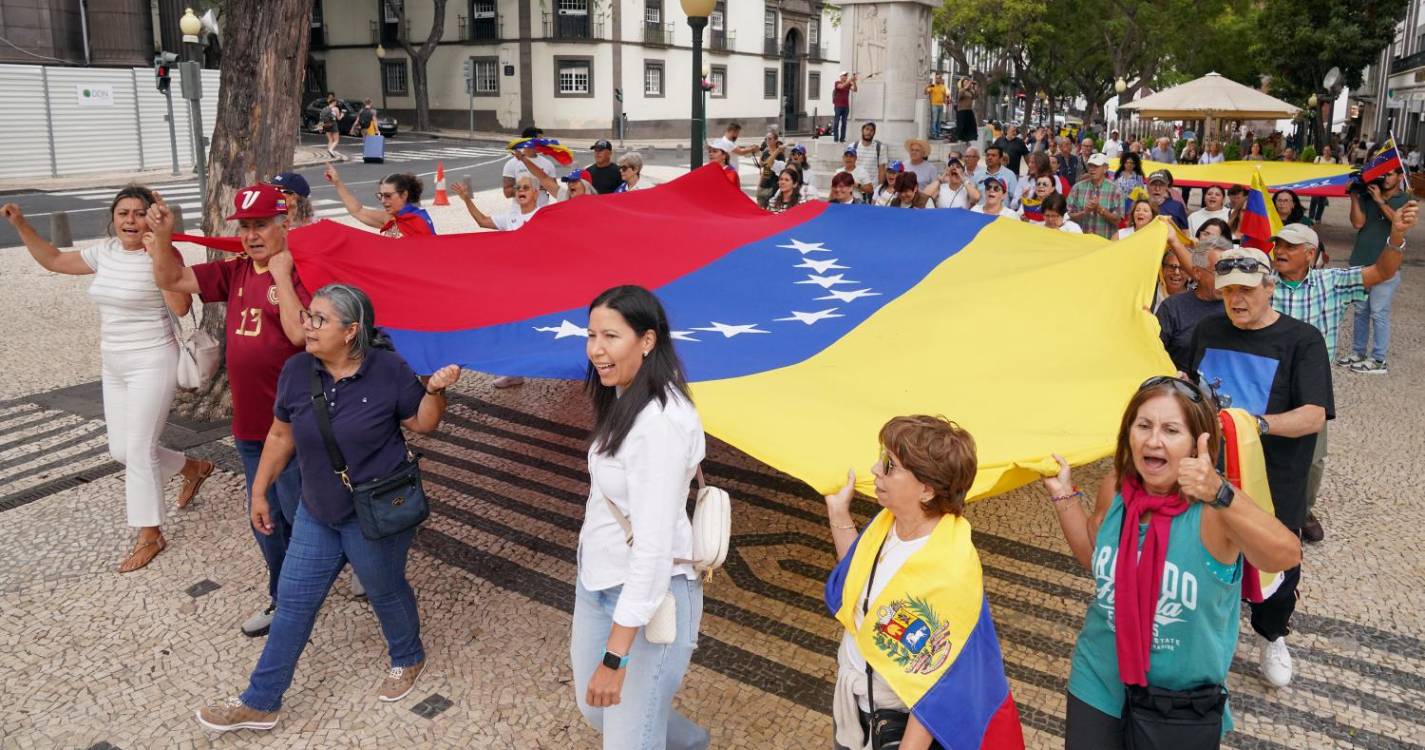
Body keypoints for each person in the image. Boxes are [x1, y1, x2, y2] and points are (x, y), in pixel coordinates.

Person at [195, 284, 462, 733]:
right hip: (317, 512)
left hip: (375, 512)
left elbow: (423, 423)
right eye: (308, 315)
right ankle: (261, 701)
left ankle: (407, 655)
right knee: (294, 603)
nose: (307, 325)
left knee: (385, 589)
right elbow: (281, 436)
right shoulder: (297, 370)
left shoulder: (389, 369)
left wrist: (434, 390)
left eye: (319, 319)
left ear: (351, 330)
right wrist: (258, 492)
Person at [1042, 376, 1301, 748]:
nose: (1153, 440)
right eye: (1143, 425)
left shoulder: (1214, 510)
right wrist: (1065, 497)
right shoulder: (1115, 488)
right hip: (1098, 677)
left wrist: (1220, 492)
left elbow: (1285, 554)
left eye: (1171, 430)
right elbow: (1094, 557)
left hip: (1179, 701)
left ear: (1199, 441)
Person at [1, 190, 214, 573]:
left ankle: (150, 533)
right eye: (123, 213)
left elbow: (181, 306)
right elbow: (53, 260)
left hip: (152, 359)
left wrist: (159, 251)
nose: (130, 220)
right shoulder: (105, 252)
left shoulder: (162, 253)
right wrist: (20, 224)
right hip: (113, 362)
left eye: (138, 213)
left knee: (139, 449)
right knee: (121, 450)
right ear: (113, 218)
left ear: (151, 218)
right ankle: (192, 468)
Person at [148, 185, 314, 636]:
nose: (252, 235)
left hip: (296, 427)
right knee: (266, 518)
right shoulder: (234, 270)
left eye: (261, 224)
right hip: (249, 427)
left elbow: (300, 337)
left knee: (302, 513)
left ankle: (336, 571)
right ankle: (284, 596)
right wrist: (162, 240)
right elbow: (173, 281)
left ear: (285, 223)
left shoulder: (302, 271)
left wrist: (281, 275)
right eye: (245, 227)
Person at [825, 416, 1022, 750]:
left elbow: (939, 682)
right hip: (857, 707)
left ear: (927, 489)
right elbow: (859, 584)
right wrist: (839, 515)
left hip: (896, 725)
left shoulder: (949, 568)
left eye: (890, 465)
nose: (875, 469)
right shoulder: (885, 526)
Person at [1187, 246, 1336, 689]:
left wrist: (1256, 425)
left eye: (1247, 290)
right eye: (1228, 289)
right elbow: (1192, 387)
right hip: (1211, 473)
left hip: (1273, 479)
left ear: (1269, 288)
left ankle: (1272, 634)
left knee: (1277, 560)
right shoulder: (1208, 329)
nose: (1237, 299)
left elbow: (1314, 414)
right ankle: (1209, 634)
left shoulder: (1301, 340)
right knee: (1207, 552)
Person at [574, 285, 709, 750]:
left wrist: (615, 658)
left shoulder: (659, 425)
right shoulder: (624, 393)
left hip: (653, 597)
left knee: (627, 739)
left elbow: (653, 550)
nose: (596, 349)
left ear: (647, 340)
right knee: (595, 709)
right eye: (591, 335)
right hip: (598, 579)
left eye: (610, 336)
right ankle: (688, 742)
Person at [1267, 214, 1414, 543]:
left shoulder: (1330, 282)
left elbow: (1382, 272)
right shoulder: (1264, 282)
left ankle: (1301, 510)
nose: (1280, 251)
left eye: (1290, 246)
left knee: (1313, 459)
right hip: (1267, 382)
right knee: (1263, 446)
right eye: (1278, 245)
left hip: (1310, 387)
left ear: (1310, 253)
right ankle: (1261, 509)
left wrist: (1396, 237)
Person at [1343, 167, 1412, 375]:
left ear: (1400, 177)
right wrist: (1355, 194)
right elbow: (1358, 222)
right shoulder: (1368, 194)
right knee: (1360, 310)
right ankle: (1358, 353)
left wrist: (1381, 200)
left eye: (1390, 174)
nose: (1385, 178)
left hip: (1387, 264)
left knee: (1378, 312)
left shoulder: (1406, 199)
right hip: (1362, 261)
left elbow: (1398, 224)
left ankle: (1379, 359)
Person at [1156, 235, 1233, 372]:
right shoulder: (1172, 308)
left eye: (1228, 271)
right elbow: (1153, 354)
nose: (1225, 279)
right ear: (1197, 273)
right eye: (1218, 271)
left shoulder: (1240, 307)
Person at [325, 164, 434, 238]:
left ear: (404, 194)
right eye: (380, 196)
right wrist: (337, 182)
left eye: (387, 196)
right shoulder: (389, 218)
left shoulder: (419, 221)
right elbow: (357, 211)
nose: (382, 200)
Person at [452, 173, 542, 231]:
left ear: (536, 193)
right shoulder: (510, 217)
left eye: (526, 188)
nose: (521, 190)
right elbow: (482, 221)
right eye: (518, 188)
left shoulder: (543, 216)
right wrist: (466, 199)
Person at [1067, 154, 1124, 239]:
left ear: (1105, 168)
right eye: (1090, 166)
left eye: (1096, 166)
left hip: (1105, 242)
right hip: (1081, 241)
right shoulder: (1077, 188)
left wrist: (1100, 209)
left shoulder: (1116, 190)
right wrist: (1084, 212)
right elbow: (1069, 216)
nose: (1091, 169)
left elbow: (1117, 220)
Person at [503, 126, 557, 206]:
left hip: (542, 211)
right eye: (539, 140)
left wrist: (539, 184)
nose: (542, 143)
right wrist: (526, 188)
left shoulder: (548, 164)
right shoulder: (511, 164)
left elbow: (555, 189)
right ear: (528, 141)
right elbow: (507, 192)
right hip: (519, 213)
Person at [976, 144, 1020, 209]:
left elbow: (1015, 198)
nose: (989, 157)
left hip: (1001, 215)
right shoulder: (977, 174)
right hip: (980, 213)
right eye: (987, 155)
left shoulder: (1010, 175)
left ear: (1001, 159)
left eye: (993, 155)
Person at [756, 135, 788, 208]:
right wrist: (759, 185)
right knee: (759, 210)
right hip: (763, 185)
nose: (767, 140)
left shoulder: (780, 154)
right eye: (766, 139)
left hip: (773, 186)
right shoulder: (765, 152)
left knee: (770, 210)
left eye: (770, 139)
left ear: (775, 140)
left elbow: (781, 171)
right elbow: (763, 167)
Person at [1308, 145, 1338, 222]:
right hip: (1317, 181)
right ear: (1323, 151)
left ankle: (1318, 218)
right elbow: (1313, 168)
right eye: (1325, 150)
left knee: (1322, 201)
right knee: (1314, 199)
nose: (1326, 152)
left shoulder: (1333, 160)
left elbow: (1334, 171)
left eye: (1328, 150)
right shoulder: (1318, 158)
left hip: (1327, 182)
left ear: (1331, 151)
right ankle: (1311, 216)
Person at [855, 122, 888, 188]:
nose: (869, 132)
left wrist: (879, 189)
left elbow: (882, 169)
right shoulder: (853, 146)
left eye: (871, 130)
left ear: (874, 133)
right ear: (862, 130)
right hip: (856, 187)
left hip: (873, 188)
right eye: (867, 129)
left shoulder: (880, 148)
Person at [833, 72, 858, 142]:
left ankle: (842, 138)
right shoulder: (837, 83)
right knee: (836, 122)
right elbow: (841, 87)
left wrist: (854, 82)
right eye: (844, 75)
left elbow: (855, 90)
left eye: (846, 75)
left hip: (846, 106)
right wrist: (850, 80)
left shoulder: (848, 84)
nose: (845, 76)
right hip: (838, 106)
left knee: (844, 123)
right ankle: (836, 138)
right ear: (840, 76)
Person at [954, 78, 978, 145]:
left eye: (967, 82)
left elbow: (975, 96)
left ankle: (967, 139)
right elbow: (960, 96)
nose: (967, 83)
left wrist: (975, 88)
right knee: (962, 125)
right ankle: (959, 139)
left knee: (970, 125)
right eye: (965, 82)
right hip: (962, 110)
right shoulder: (961, 90)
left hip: (969, 110)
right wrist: (969, 83)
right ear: (962, 83)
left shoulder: (970, 91)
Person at [925, 74, 947, 138]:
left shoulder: (943, 86)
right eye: (937, 78)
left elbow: (944, 95)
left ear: (941, 79)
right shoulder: (932, 85)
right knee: (934, 120)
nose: (938, 79)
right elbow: (925, 92)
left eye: (939, 78)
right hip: (934, 105)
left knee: (939, 120)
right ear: (935, 79)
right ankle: (933, 134)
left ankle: (937, 134)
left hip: (941, 105)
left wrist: (945, 102)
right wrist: (927, 86)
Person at [319, 94, 341, 159]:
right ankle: (331, 150)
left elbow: (321, 118)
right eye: (336, 102)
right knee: (336, 140)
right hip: (333, 124)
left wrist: (320, 128)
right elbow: (339, 118)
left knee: (330, 140)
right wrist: (342, 114)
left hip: (326, 125)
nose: (336, 103)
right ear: (333, 102)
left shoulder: (324, 109)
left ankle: (330, 154)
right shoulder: (336, 109)